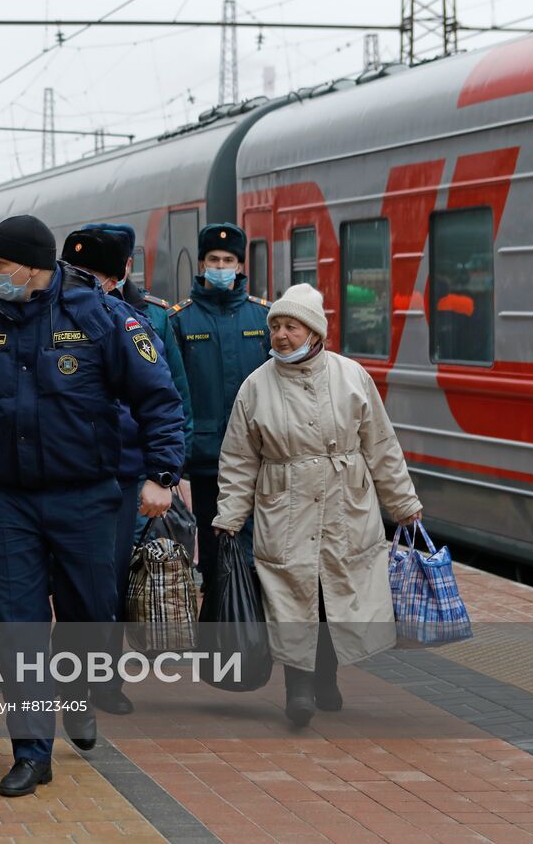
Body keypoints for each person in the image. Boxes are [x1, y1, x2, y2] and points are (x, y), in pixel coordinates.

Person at [0, 215, 184, 797]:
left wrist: (162, 475)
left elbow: (158, 398)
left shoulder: (102, 316)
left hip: (89, 497)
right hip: (10, 502)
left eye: (1, 266)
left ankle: (81, 692)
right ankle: (31, 752)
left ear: (36, 266)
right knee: (19, 627)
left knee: (90, 614)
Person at [213, 284, 422, 728]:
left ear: (314, 331)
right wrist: (229, 516)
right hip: (285, 508)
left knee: (332, 597)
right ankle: (299, 689)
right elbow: (238, 458)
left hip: (345, 504)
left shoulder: (351, 376)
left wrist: (403, 502)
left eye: (291, 326)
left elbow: (381, 445)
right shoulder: (256, 386)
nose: (281, 336)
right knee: (292, 597)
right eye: (275, 327)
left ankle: (326, 676)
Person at [61, 226, 187, 718]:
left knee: (107, 580)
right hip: (69, 470)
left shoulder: (146, 319)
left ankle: (105, 678)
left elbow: (169, 396)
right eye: (75, 272)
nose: (81, 282)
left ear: (119, 276)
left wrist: (168, 471)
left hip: (123, 473)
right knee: (71, 582)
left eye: (92, 275)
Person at [168, 223, 271, 596]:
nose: (222, 266)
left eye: (229, 260)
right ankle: (219, 627)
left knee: (259, 546)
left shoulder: (264, 319)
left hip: (259, 454)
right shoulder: (180, 320)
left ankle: (254, 626)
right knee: (212, 550)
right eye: (214, 259)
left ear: (241, 266)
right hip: (206, 459)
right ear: (201, 264)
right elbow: (174, 392)